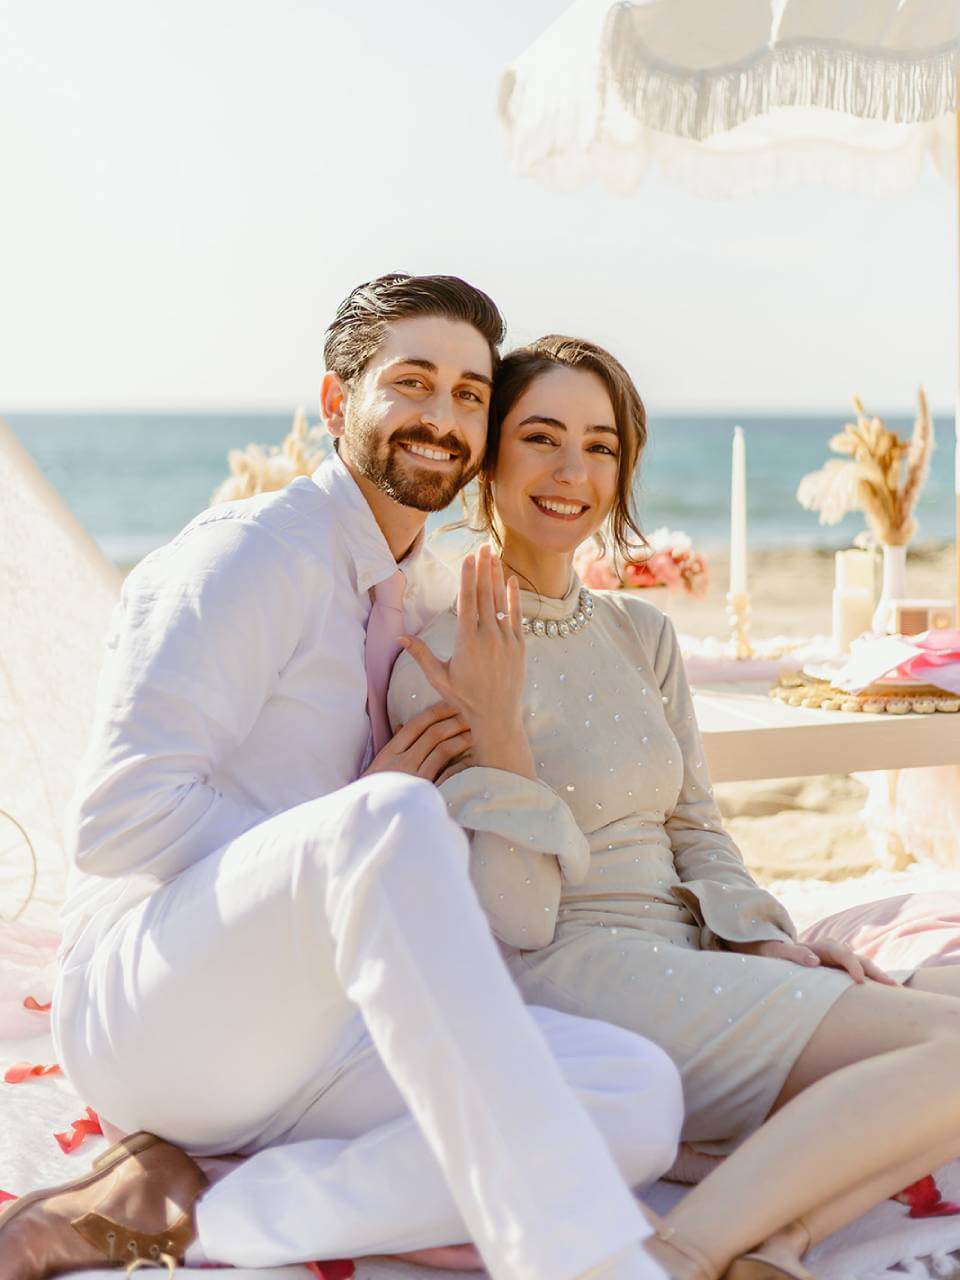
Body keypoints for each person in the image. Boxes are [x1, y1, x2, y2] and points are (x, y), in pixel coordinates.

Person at [0, 279, 684, 1280]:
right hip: (152, 1004)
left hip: (314, 1026)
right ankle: (587, 1261)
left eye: (468, 393)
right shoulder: (248, 557)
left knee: (635, 1091)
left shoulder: (421, 593)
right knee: (389, 814)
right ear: (336, 403)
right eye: (413, 383)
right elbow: (116, 821)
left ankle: (217, 1213)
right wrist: (350, 831)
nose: (443, 418)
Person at [390, 333, 960, 1280]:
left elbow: (697, 823)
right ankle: (681, 1255)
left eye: (602, 445)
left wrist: (762, 936)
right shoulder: (444, 658)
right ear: (489, 457)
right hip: (580, 975)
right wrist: (498, 732)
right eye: (541, 437)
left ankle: (776, 1239)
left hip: (693, 954)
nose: (574, 470)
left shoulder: (642, 631)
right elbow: (519, 918)